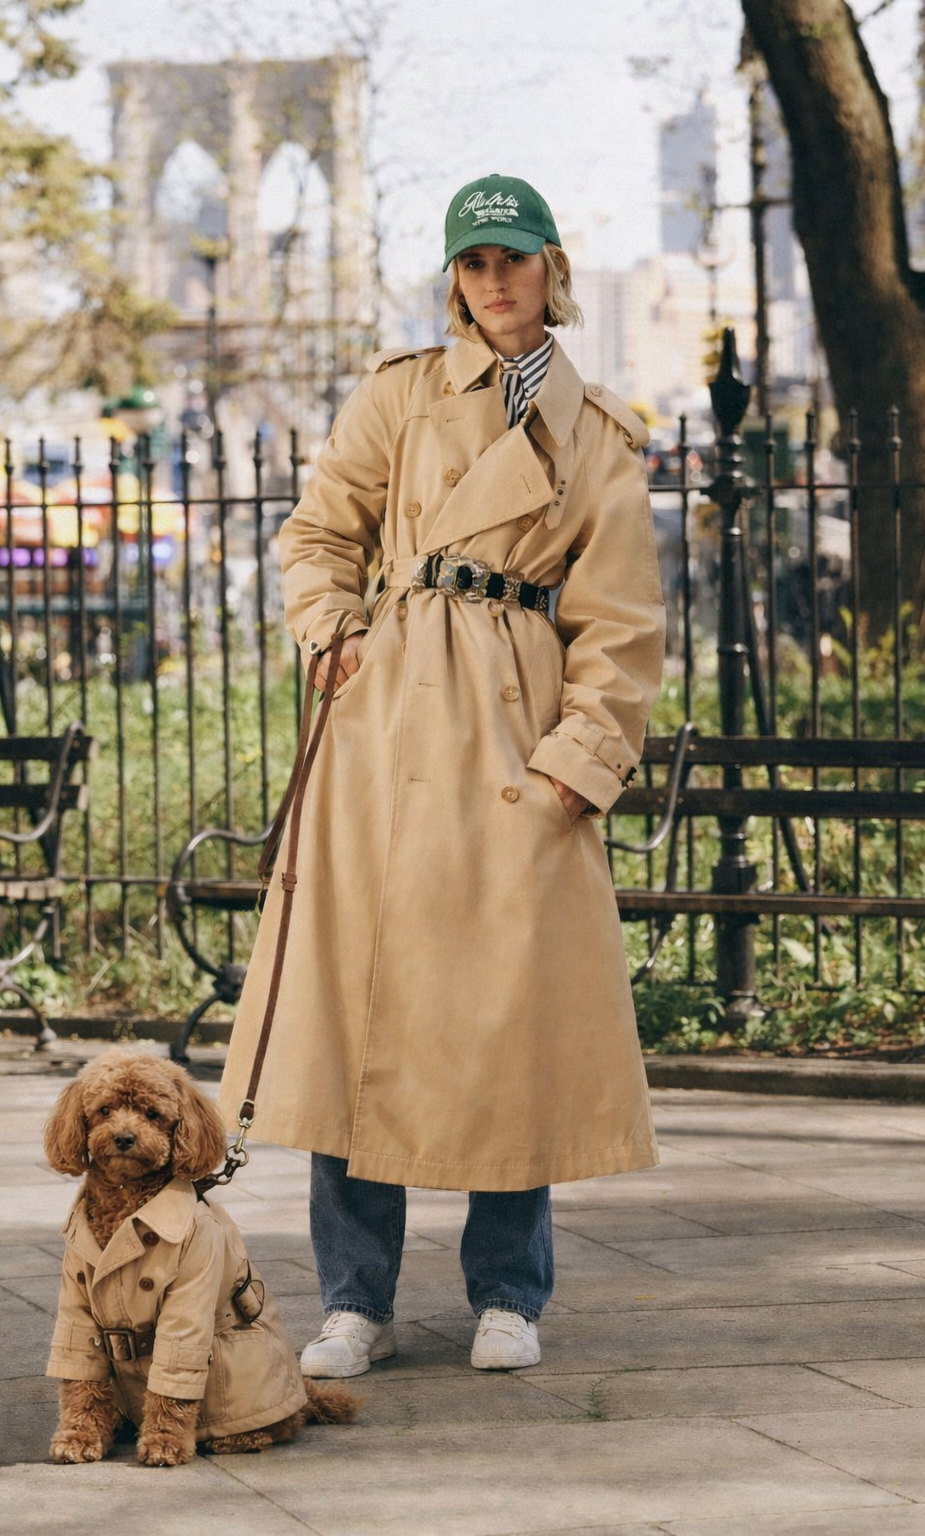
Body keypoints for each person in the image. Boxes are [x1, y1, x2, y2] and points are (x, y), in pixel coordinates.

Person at [217, 173, 666, 1376]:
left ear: (552, 266)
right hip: (387, 728)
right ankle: (353, 1300)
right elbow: (316, 533)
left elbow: (619, 627)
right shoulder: (401, 396)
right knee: (351, 1013)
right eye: (474, 262)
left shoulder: (598, 437)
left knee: (509, 1027)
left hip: (516, 748)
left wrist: (577, 766)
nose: (495, 280)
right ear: (454, 277)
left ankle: (507, 1295)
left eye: (514, 257)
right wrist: (333, 636)